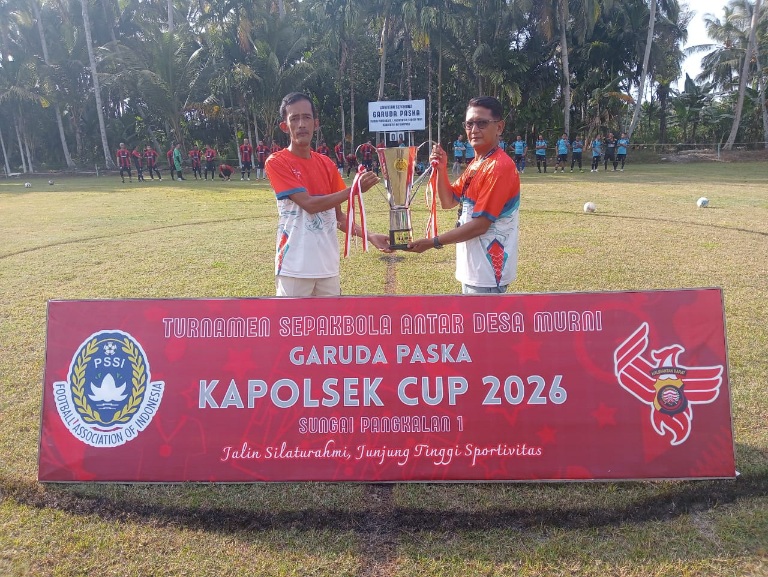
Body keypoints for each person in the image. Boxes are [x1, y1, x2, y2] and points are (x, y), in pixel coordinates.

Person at [265, 92, 390, 297]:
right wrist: (354, 190)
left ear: (315, 123)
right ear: (284, 126)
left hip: (327, 268)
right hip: (294, 268)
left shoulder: (326, 164)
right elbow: (309, 204)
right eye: (294, 118)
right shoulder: (277, 162)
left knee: (331, 319)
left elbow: (338, 217)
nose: (301, 124)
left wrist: (370, 236)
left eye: (306, 117)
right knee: (293, 319)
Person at [408, 96, 520, 295]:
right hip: (474, 269)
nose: (474, 130)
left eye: (482, 123)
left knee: (482, 317)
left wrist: (433, 242)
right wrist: (442, 168)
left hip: (488, 274)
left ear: (499, 127)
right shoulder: (477, 164)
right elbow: (449, 201)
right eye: (469, 124)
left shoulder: (499, 167)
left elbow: (480, 225)